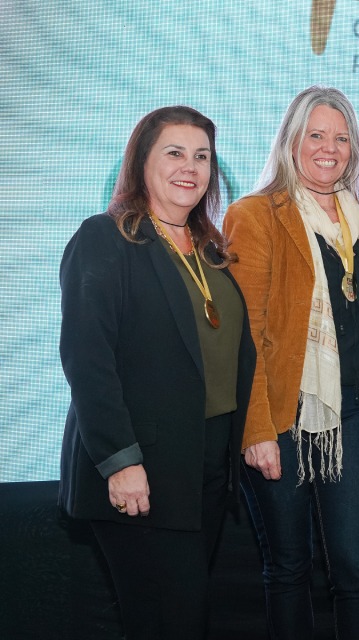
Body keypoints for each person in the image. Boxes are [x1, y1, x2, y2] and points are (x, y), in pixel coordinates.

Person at [58, 106, 256, 640]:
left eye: (202, 156)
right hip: (139, 470)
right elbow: (87, 359)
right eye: (174, 152)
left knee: (178, 620)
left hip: (206, 468)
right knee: (173, 622)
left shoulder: (212, 249)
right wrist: (120, 462)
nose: (189, 166)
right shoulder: (106, 238)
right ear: (141, 162)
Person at [223, 86, 359, 640]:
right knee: (289, 569)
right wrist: (256, 431)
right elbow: (245, 336)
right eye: (316, 135)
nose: (330, 148)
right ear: (291, 142)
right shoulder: (255, 215)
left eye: (341, 137)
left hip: (348, 411)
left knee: (355, 570)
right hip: (280, 416)